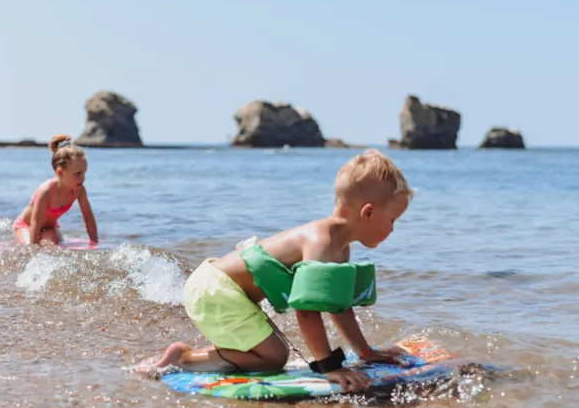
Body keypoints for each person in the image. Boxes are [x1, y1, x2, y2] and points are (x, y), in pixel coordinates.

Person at [150, 149, 414, 392]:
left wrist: (365, 351)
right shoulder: (320, 243)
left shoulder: (340, 248)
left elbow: (339, 307)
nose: (393, 229)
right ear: (367, 212)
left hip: (224, 289)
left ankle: (209, 355)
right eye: (392, 220)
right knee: (274, 357)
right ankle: (184, 359)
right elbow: (307, 311)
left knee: (271, 350)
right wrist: (329, 367)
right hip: (214, 291)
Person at [13, 134, 98, 246]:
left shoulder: (79, 191)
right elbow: (35, 224)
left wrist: (94, 244)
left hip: (49, 228)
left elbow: (88, 218)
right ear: (60, 173)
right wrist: (33, 252)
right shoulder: (46, 191)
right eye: (77, 174)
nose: (82, 178)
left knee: (53, 246)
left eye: (84, 172)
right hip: (27, 226)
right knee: (29, 247)